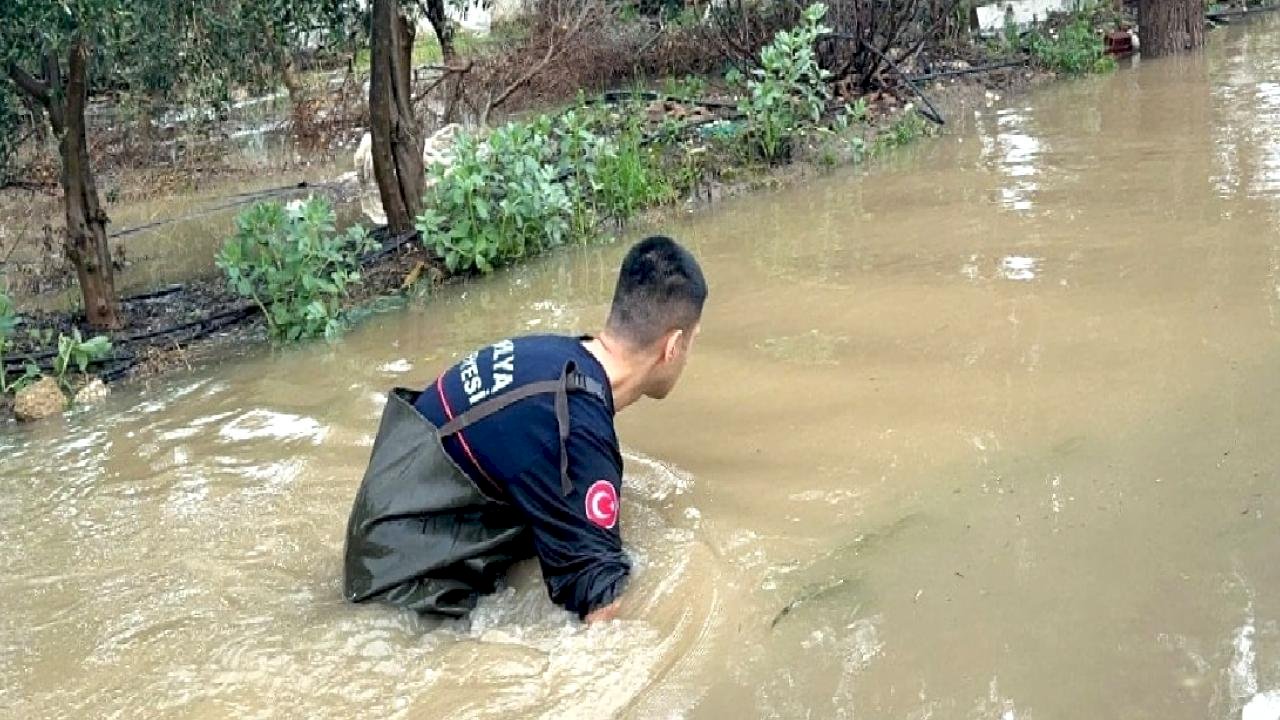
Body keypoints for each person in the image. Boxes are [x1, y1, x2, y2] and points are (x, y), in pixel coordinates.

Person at [343, 235, 708, 623]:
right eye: (693, 342)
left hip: (380, 538)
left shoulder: (554, 357)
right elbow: (600, 611)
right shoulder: (575, 425)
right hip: (397, 596)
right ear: (673, 346)